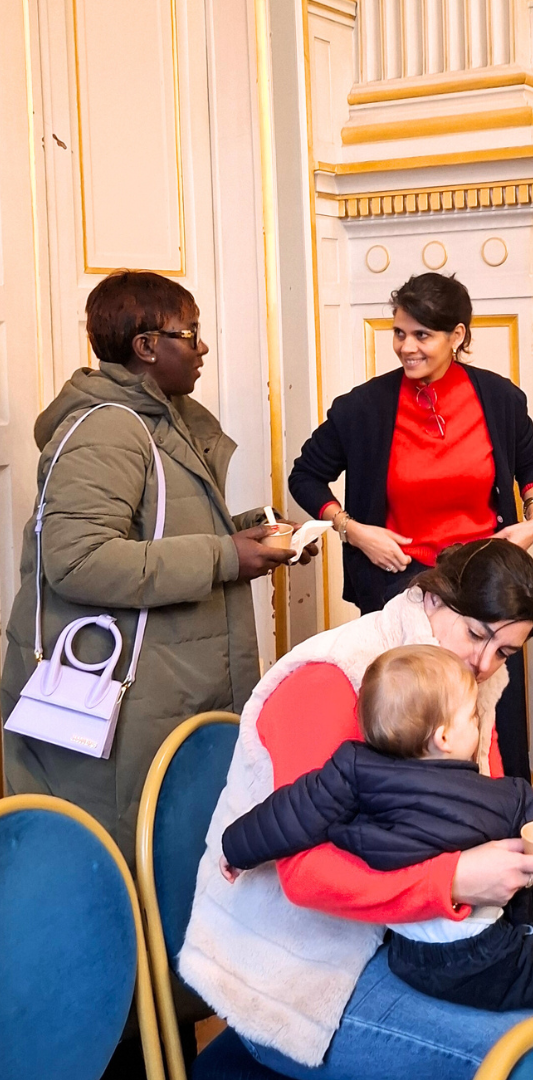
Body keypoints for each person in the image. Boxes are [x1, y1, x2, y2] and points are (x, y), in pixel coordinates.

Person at [0, 269, 313, 1077]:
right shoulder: (109, 431)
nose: (202, 349)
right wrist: (225, 555)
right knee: (118, 898)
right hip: (118, 717)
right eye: (188, 335)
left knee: (162, 887)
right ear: (146, 347)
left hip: (162, 702)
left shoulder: (158, 421)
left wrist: (248, 537)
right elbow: (78, 560)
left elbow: (156, 535)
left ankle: (158, 1042)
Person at [180, 539, 533, 1080]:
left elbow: (469, 810)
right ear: (433, 597)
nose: (484, 664)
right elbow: (306, 875)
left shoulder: (461, 679)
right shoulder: (334, 677)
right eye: (476, 634)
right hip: (296, 972)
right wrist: (452, 880)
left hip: (408, 943)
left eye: (504, 652)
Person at [218, 644, 533, 1045]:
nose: (478, 723)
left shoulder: (351, 770)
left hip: (408, 954)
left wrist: (235, 849)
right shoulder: (496, 798)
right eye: (472, 716)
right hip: (480, 954)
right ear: (444, 736)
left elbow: (289, 814)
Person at [288, 272, 533, 782]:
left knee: (495, 726)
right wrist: (352, 528)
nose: (406, 347)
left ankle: (507, 814)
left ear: (457, 335)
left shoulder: (499, 398)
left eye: (422, 335)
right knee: (416, 731)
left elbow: (532, 464)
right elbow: (306, 475)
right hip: (400, 588)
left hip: (486, 587)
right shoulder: (362, 408)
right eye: (399, 333)